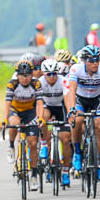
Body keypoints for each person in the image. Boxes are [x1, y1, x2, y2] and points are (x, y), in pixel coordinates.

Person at [67, 44, 100, 182]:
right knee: (77, 121)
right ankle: (77, 152)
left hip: (96, 99)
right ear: (84, 61)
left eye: (97, 60)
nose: (95, 63)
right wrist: (71, 110)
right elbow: (71, 91)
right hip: (80, 100)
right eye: (91, 60)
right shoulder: (76, 69)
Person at [3, 60, 44, 189]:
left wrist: (41, 118)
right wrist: (5, 119)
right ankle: (11, 145)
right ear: (17, 75)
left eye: (28, 75)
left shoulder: (36, 83)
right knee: (14, 123)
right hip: (16, 111)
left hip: (30, 112)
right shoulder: (12, 84)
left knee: (32, 143)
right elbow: (7, 103)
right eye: (22, 75)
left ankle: (34, 175)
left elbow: (39, 103)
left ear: (32, 74)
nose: (25, 78)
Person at [38, 59, 72, 187]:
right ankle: (44, 145)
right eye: (49, 74)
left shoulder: (63, 80)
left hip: (60, 107)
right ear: (44, 74)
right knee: (43, 118)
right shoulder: (39, 82)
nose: (52, 77)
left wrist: (70, 113)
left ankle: (65, 171)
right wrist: (40, 117)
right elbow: (39, 102)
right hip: (46, 106)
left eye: (54, 74)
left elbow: (67, 98)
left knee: (65, 139)